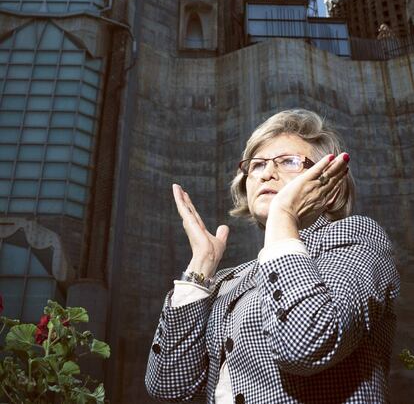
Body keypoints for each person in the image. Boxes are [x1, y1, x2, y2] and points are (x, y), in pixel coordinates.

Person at [146, 109, 400, 404]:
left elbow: (307, 344)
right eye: (257, 165)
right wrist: (200, 266)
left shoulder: (357, 236)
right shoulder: (230, 279)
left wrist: (284, 215)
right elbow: (169, 384)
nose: (266, 172)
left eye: (289, 161)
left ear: (330, 185)